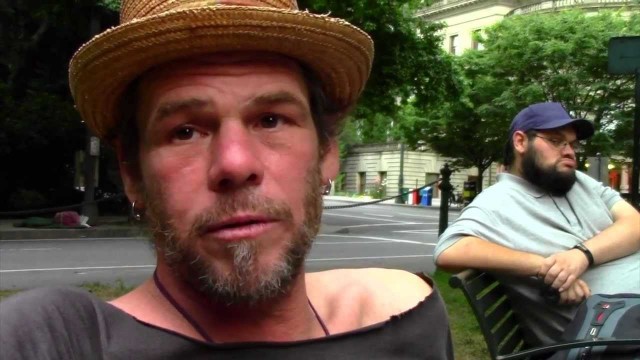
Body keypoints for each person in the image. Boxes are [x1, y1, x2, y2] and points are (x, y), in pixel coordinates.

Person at [0, 1, 454, 359]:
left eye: (271, 119)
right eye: (184, 131)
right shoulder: (62, 340)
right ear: (132, 173)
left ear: (326, 151)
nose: (235, 164)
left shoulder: (408, 315)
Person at [434, 102, 640, 346]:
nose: (570, 152)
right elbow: (449, 250)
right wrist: (548, 268)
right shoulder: (498, 201)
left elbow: (635, 223)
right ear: (520, 142)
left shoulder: (580, 183)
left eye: (573, 144)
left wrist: (580, 256)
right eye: (556, 141)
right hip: (609, 340)